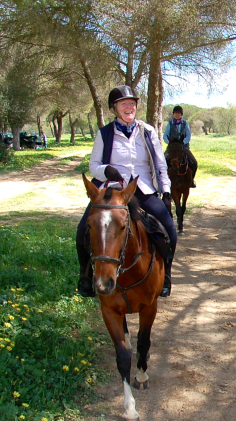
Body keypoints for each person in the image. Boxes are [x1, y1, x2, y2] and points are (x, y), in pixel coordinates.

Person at [76, 85, 177, 298]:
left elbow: (160, 165)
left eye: (132, 103)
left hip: (143, 190)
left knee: (169, 229)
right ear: (115, 108)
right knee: (82, 230)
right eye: (124, 104)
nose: (129, 107)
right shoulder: (104, 134)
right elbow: (93, 165)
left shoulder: (148, 132)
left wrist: (166, 191)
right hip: (113, 190)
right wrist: (106, 170)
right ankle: (85, 277)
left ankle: (166, 274)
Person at [162, 105, 197, 188]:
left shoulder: (185, 124)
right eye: (175, 113)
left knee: (194, 163)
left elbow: (188, 135)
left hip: (183, 148)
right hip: (172, 148)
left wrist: (182, 143)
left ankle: (191, 180)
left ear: (181, 114)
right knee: (162, 162)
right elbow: (165, 136)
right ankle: (164, 182)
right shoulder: (170, 124)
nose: (177, 115)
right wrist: (170, 143)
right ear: (173, 114)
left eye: (178, 113)